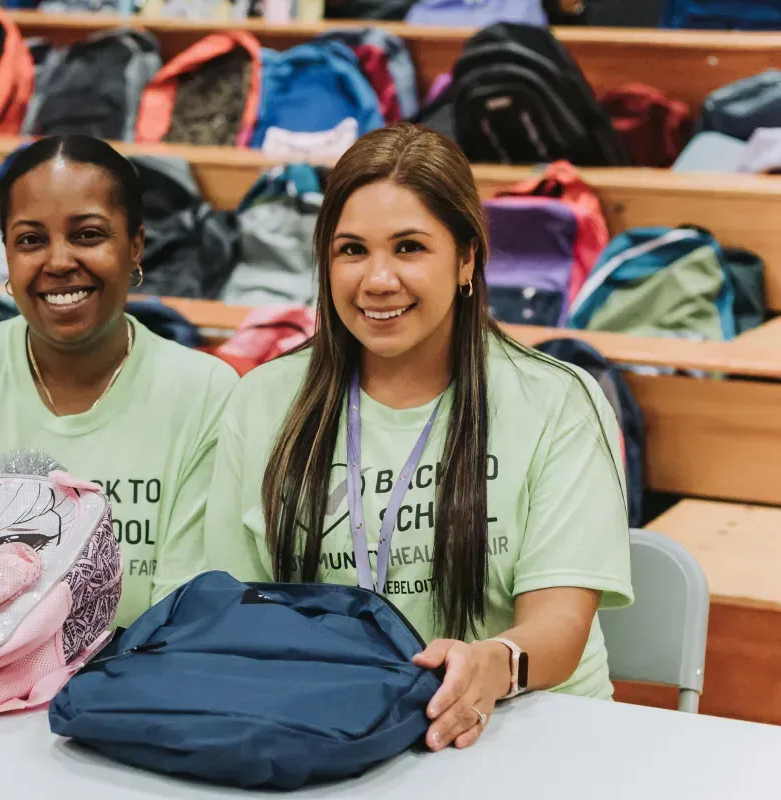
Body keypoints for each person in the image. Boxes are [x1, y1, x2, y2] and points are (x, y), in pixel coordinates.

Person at [201, 124, 633, 752]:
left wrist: (493, 663)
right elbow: (232, 611)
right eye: (352, 250)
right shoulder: (264, 400)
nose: (377, 280)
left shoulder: (558, 400)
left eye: (408, 248)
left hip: (529, 734)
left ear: (466, 258)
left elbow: (561, 625)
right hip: (334, 731)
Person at [0, 134, 239, 628]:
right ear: (7, 256)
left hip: (124, 691)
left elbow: (182, 619)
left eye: (88, 235)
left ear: (136, 245)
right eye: (31, 240)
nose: (58, 262)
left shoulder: (205, 393)